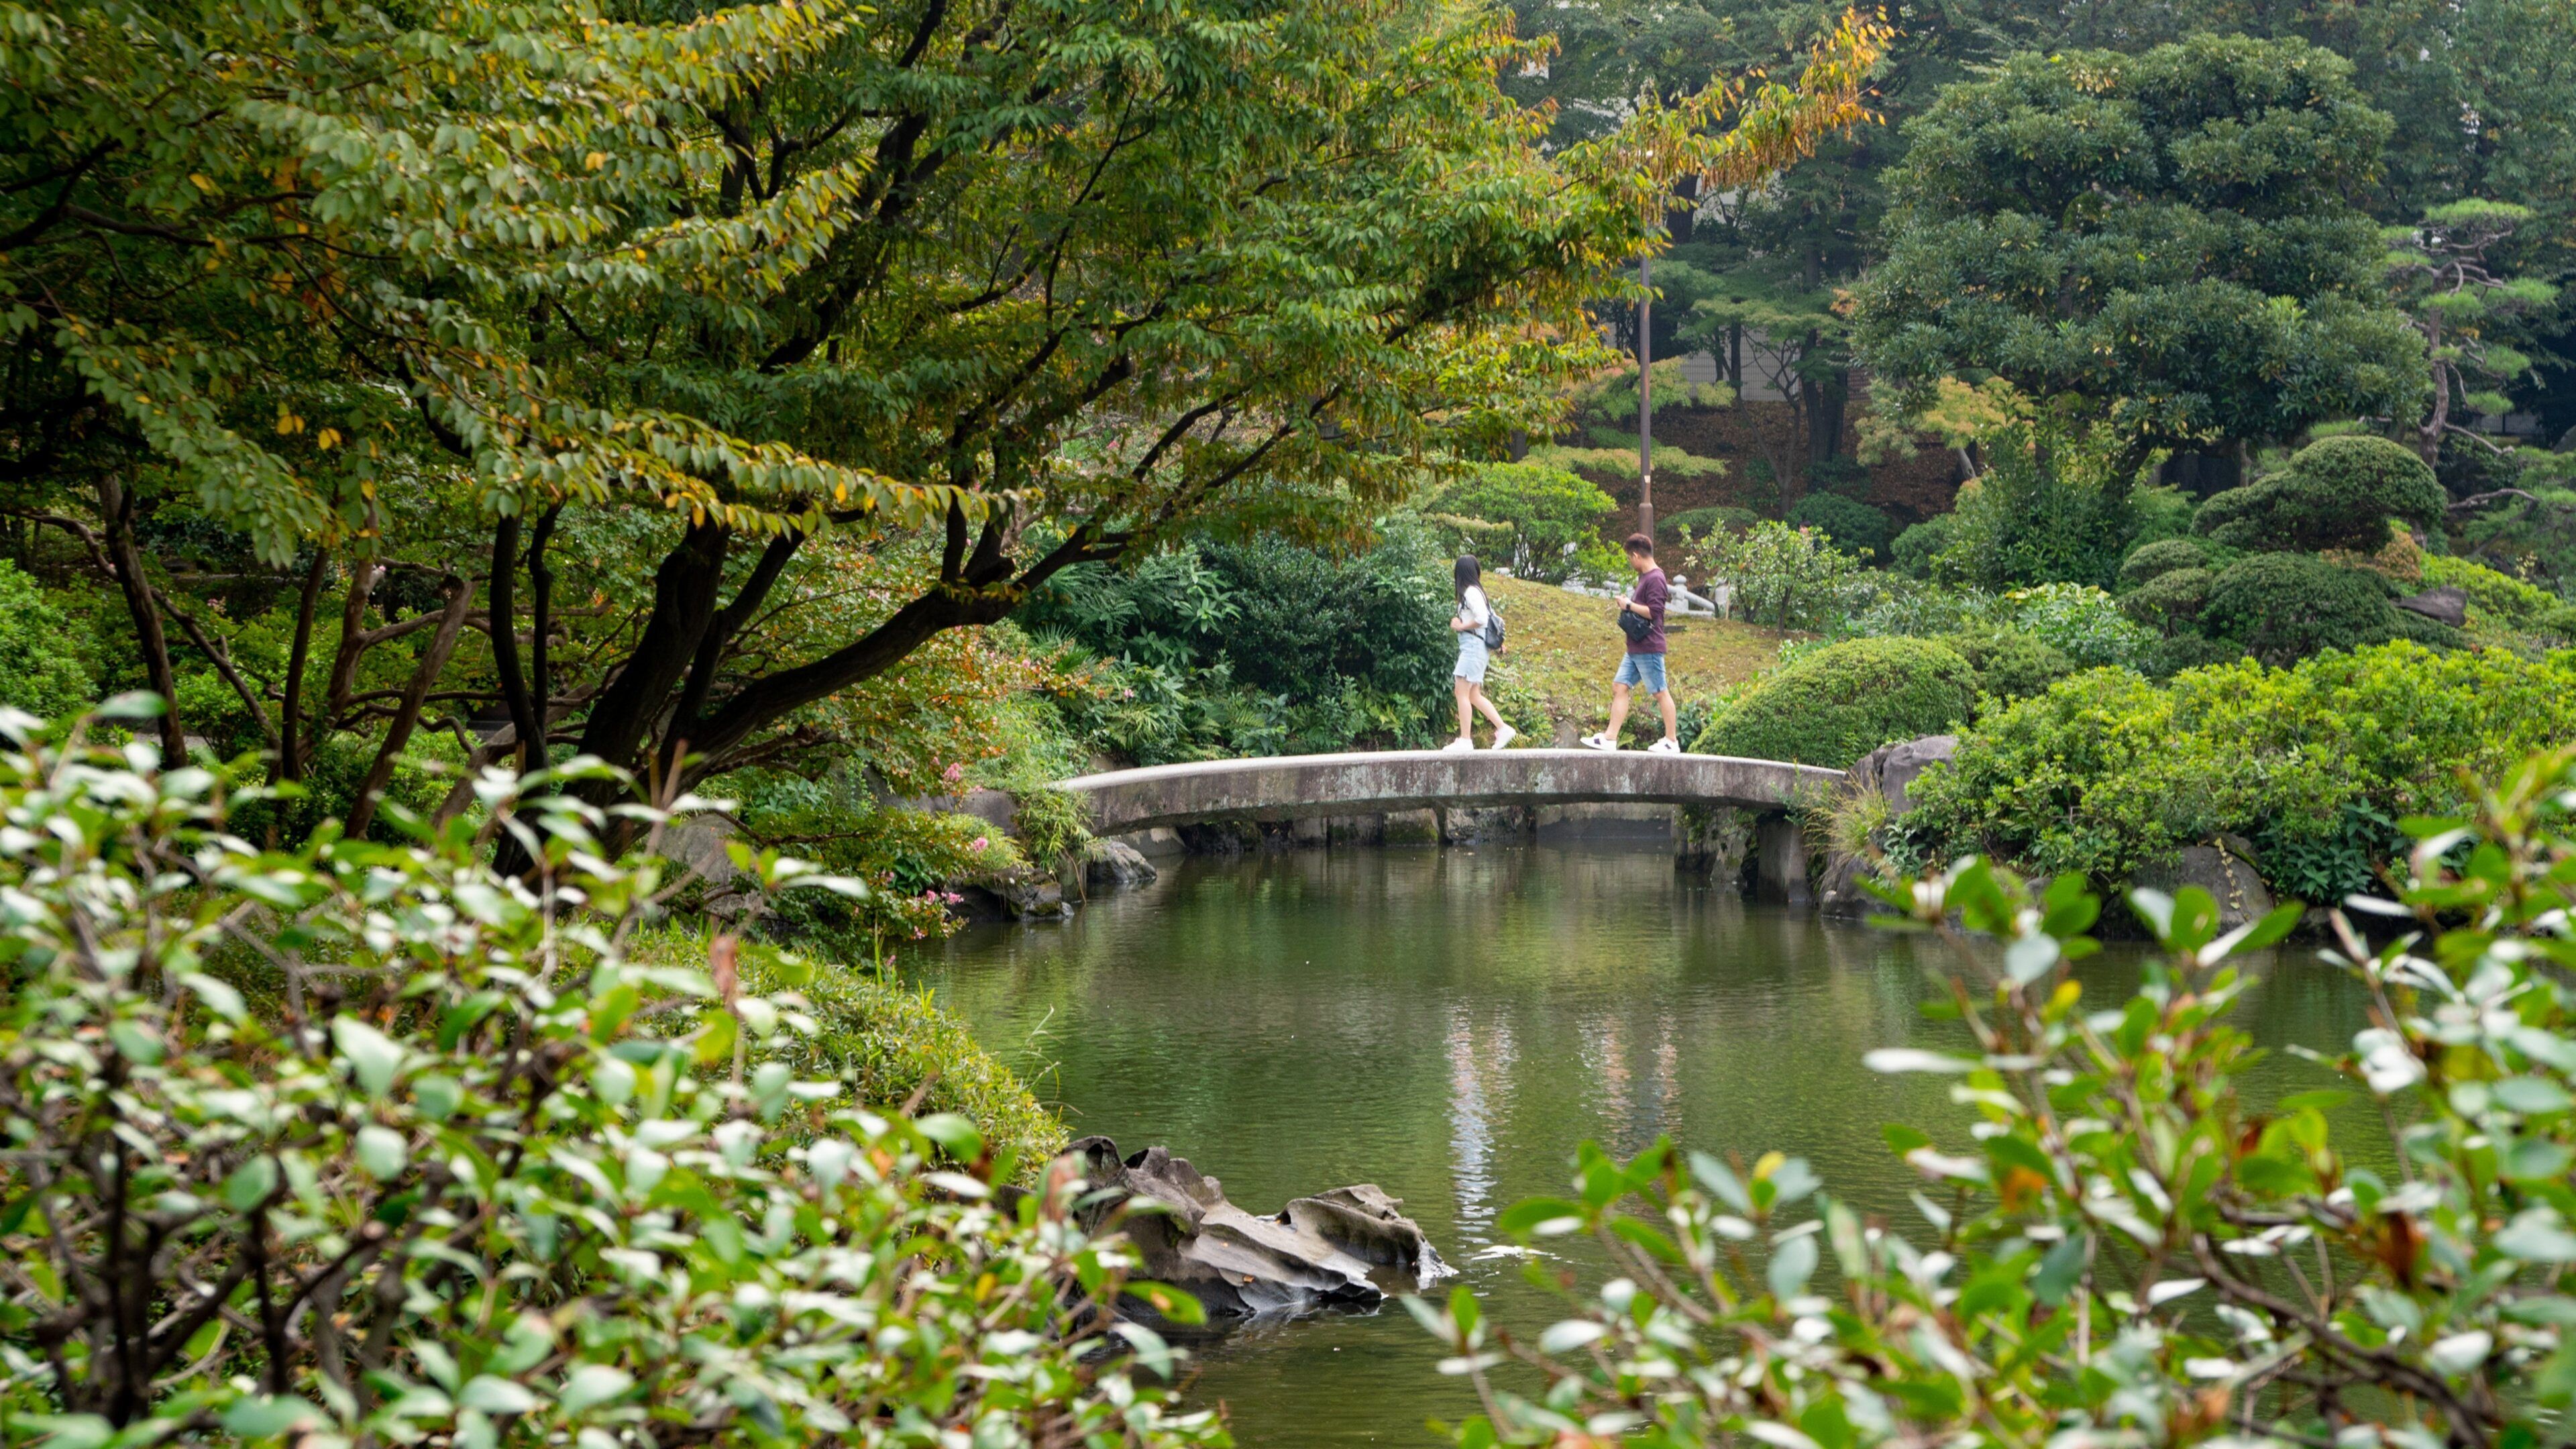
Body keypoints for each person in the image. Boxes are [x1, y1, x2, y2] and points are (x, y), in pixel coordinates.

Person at [1579, 534, 1680, 753]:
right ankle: (1610, 738)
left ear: (1636, 555)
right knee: (1620, 686)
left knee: (1660, 692)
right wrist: (1630, 603)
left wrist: (1628, 605)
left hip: (1649, 646)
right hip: (1636, 646)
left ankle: (1671, 740)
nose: (1630, 562)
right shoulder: (1645, 577)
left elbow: (1655, 612)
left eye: (1629, 558)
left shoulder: (1656, 578)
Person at [1445, 555, 1517, 753]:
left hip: (1473, 647)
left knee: (1461, 691)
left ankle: (1465, 740)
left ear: (1460, 573)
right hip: (1476, 648)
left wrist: (1461, 626)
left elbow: (1483, 619)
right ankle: (1503, 728)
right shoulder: (1478, 592)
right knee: (1473, 695)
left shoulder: (1470, 592)